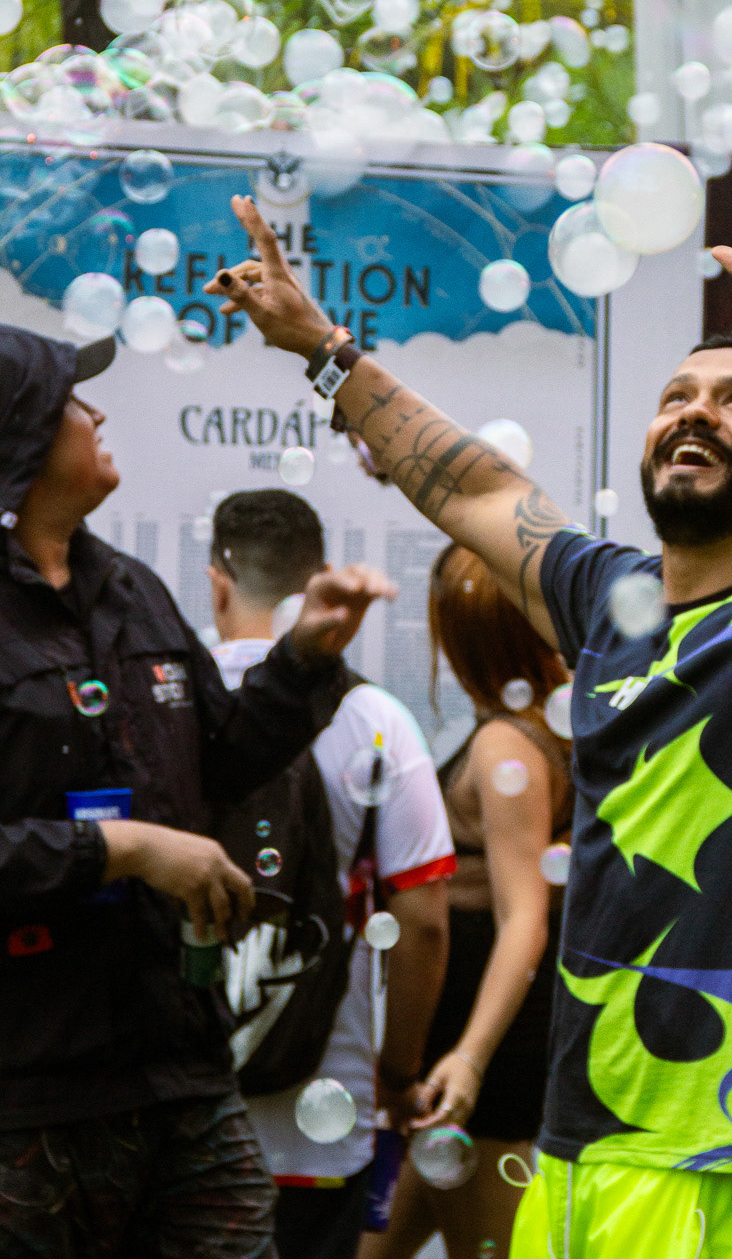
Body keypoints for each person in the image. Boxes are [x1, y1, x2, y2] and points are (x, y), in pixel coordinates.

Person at [209, 152, 732, 1259]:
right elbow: (469, 484)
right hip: (576, 1147)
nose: (694, 411)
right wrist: (324, 347)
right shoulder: (610, 600)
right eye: (676, 396)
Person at [0, 323, 393, 1259]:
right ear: (17, 434)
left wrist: (306, 658)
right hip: (26, 1097)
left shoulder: (130, 588)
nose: (95, 413)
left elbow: (217, 758)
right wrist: (126, 849)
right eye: (69, 400)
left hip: (182, 1069)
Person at [207, 488, 455, 1259]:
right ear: (318, 582)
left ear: (217, 581)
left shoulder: (167, 703)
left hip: (183, 1123)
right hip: (326, 1117)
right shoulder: (379, 720)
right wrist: (397, 1072)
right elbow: (424, 922)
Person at [362, 546, 574, 1259]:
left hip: (485, 1056)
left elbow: (524, 917)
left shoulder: (504, 746)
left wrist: (470, 1059)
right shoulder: (551, 724)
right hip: (466, 1053)